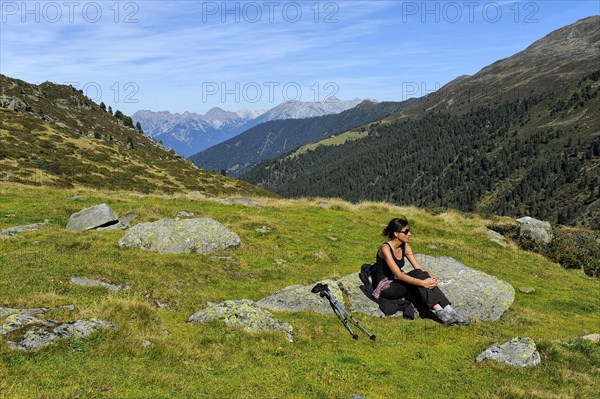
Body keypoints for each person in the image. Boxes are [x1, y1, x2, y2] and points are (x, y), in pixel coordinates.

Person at [370, 217, 469, 325]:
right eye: (406, 231)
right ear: (396, 233)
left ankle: (450, 311)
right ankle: (440, 312)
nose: (410, 234)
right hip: (387, 287)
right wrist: (422, 282)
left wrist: (430, 277)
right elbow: (398, 275)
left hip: (398, 284)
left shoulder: (405, 246)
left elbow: (418, 267)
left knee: (421, 273)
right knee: (418, 275)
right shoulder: (385, 249)